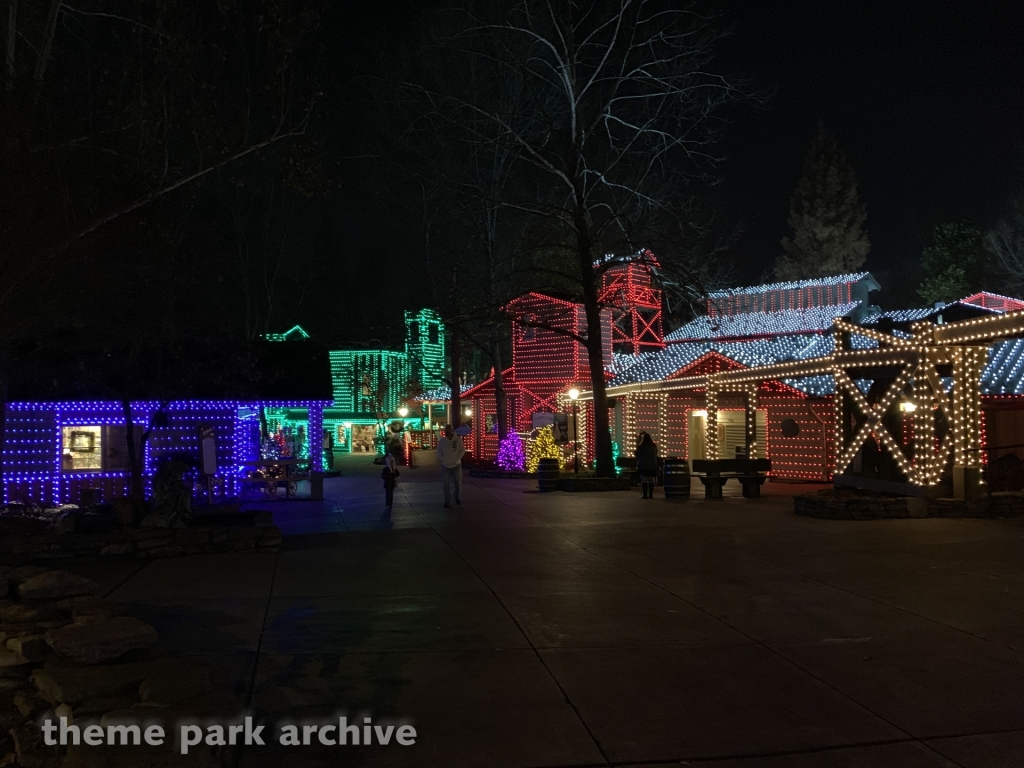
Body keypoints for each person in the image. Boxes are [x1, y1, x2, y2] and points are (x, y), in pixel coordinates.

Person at [436, 423, 465, 508]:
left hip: (456, 465)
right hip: (445, 465)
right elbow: (439, 451)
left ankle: (457, 497)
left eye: (448, 430)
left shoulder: (458, 440)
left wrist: (457, 458)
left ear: (452, 431)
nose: (447, 432)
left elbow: (462, 450)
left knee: (457, 483)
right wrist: (443, 459)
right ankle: (448, 501)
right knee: (446, 484)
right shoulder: (442, 441)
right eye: (446, 430)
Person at [636, 432, 659, 499]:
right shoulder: (654, 446)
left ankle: (645, 494)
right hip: (652, 465)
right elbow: (655, 453)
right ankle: (651, 494)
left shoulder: (641, 446)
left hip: (643, 465)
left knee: (644, 480)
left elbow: (637, 454)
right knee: (651, 480)